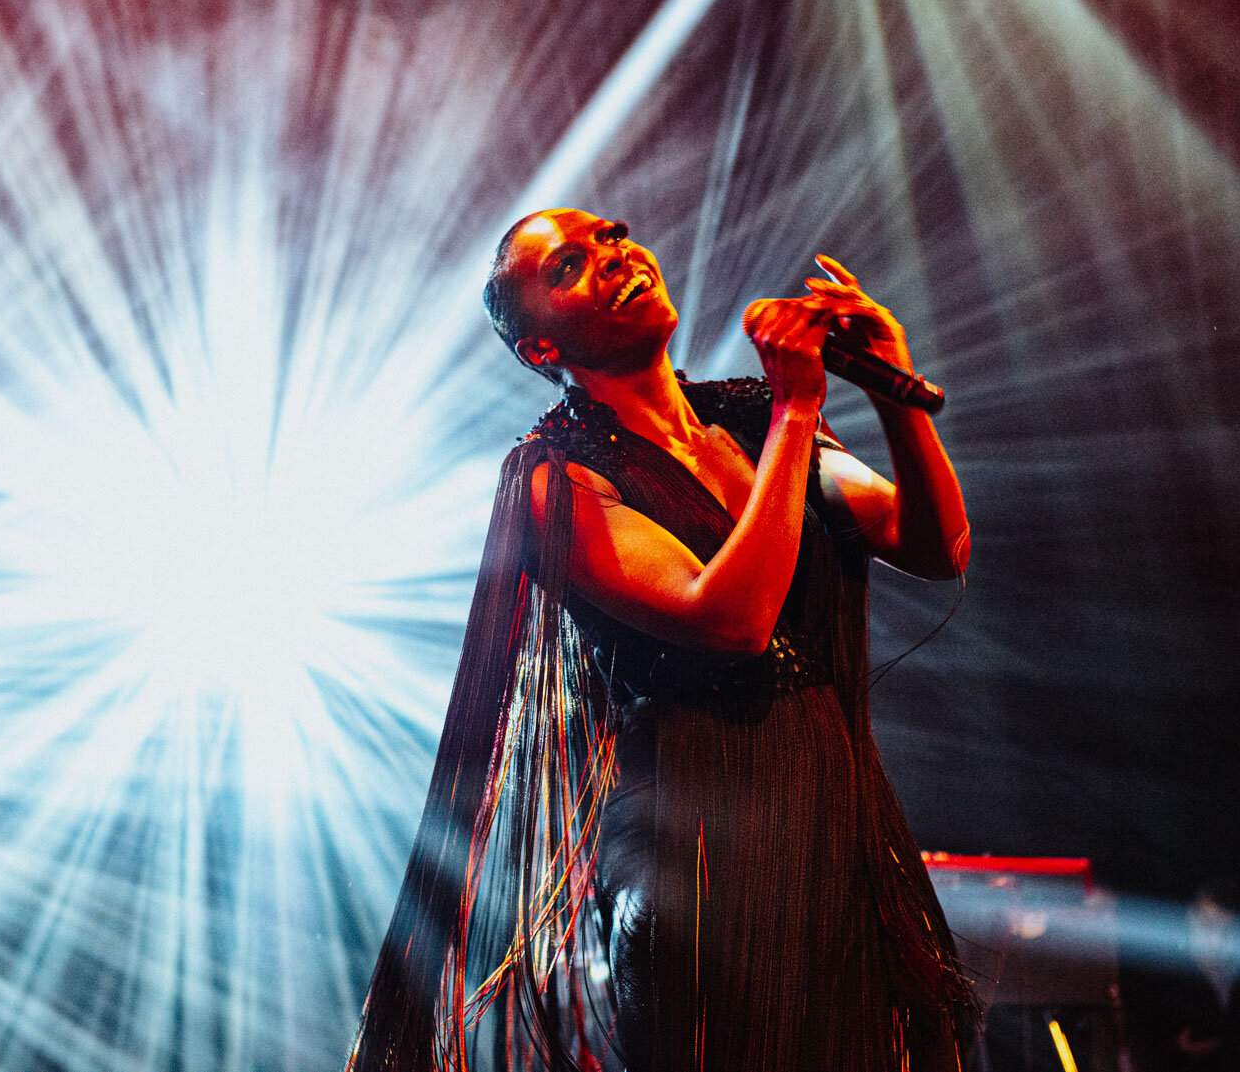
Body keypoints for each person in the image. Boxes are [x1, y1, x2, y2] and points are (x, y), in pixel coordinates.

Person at [347, 208, 975, 1071]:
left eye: (611, 237)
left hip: (842, 815)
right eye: (571, 265)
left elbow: (934, 546)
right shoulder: (554, 479)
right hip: (701, 843)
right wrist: (797, 411)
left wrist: (891, 390)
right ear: (541, 351)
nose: (614, 257)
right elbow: (731, 619)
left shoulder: (750, 419)